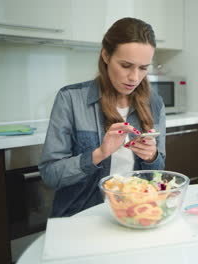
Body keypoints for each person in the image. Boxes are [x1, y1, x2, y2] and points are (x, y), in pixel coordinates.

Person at [39, 17, 166, 217]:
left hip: (134, 214)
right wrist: (99, 154)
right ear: (106, 56)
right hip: (81, 217)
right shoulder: (70, 99)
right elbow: (51, 175)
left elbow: (157, 174)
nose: (134, 77)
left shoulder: (155, 103)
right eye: (125, 65)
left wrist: (151, 157)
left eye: (143, 68)